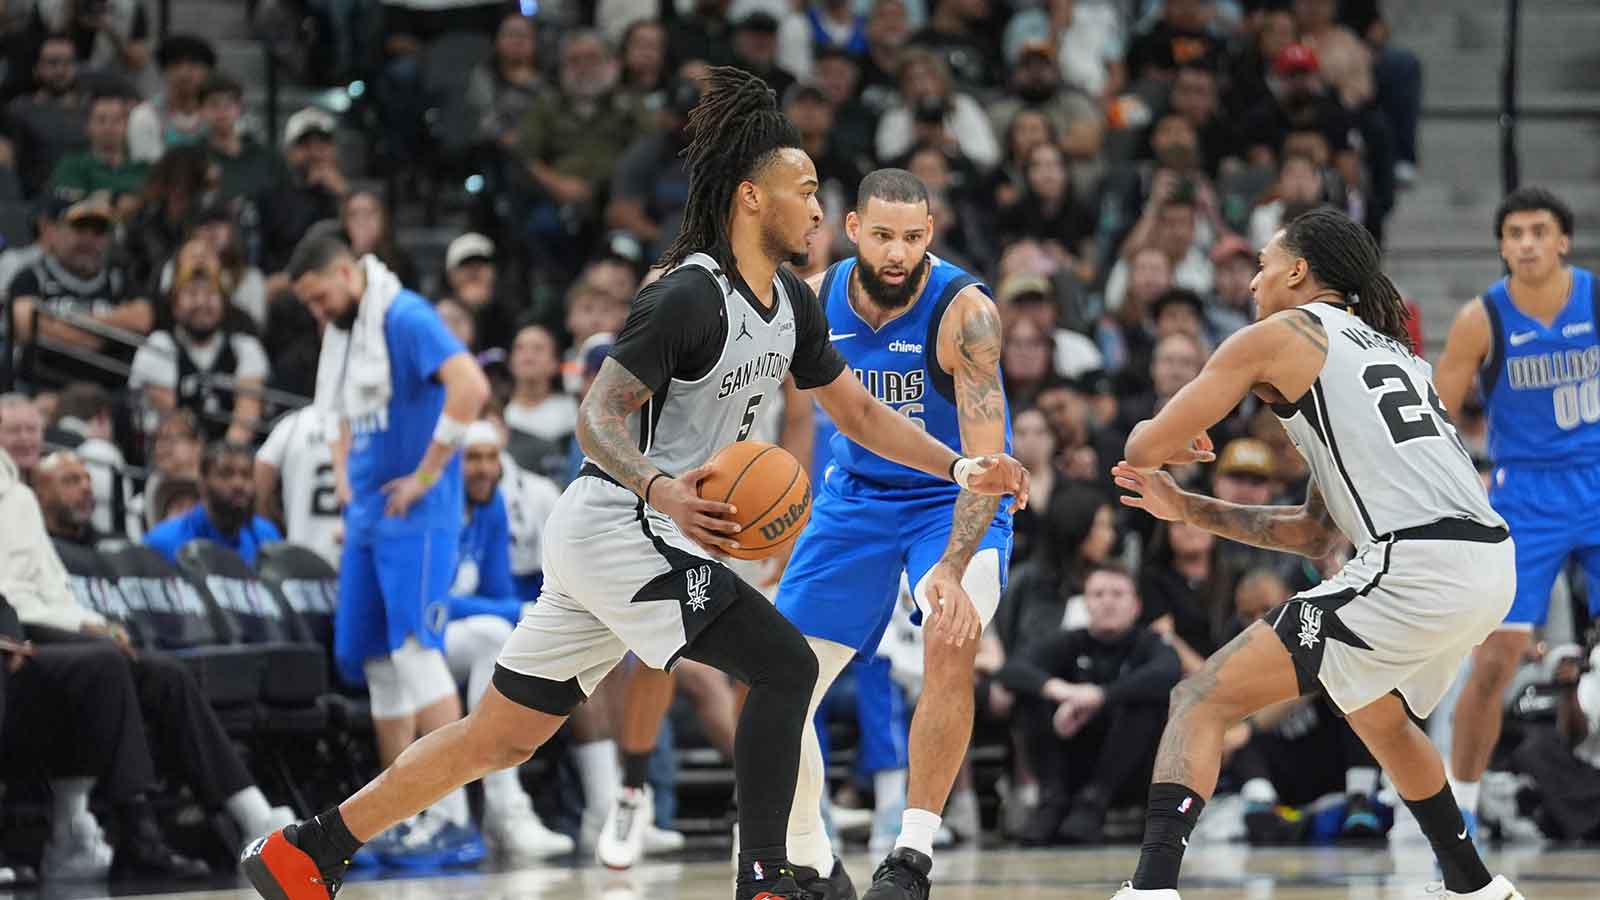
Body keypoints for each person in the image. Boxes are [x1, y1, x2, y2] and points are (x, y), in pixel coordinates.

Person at [240, 67, 1024, 900]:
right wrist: (662, 489)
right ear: (751, 199)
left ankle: (306, 850)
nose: (817, 212)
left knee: (497, 737)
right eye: (803, 193)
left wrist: (958, 465)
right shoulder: (687, 295)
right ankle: (767, 878)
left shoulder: (793, 305)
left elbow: (859, 413)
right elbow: (597, 416)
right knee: (785, 665)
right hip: (621, 524)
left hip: (633, 540)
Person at [1107, 207, 1523, 900]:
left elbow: (1141, 448)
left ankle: (1150, 890)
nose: (1253, 283)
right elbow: (1314, 534)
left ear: (1298, 271)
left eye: (1263, 266)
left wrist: (1170, 440)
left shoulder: (1283, 334)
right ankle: (1473, 886)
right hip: (1486, 561)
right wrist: (1188, 509)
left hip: (1417, 562)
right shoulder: (1393, 353)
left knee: (1200, 696)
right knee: (1377, 715)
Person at [770, 167, 1014, 900]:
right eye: (882, 235)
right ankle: (814, 860)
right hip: (855, 499)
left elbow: (985, 466)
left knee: (950, 633)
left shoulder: (967, 314)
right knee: (777, 681)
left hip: (953, 501)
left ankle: (911, 856)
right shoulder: (813, 300)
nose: (898, 252)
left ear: (930, 233)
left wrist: (952, 568)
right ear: (852, 231)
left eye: (912, 237)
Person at [1432, 187, 1600, 832]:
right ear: (1502, 246)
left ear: (1563, 241)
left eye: (1539, 231)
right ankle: (1462, 812)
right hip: (1524, 494)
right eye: (1515, 233)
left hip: (1595, 478)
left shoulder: (1595, 298)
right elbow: (1435, 417)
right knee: (1496, 658)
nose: (1527, 243)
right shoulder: (1481, 318)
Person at [447, 421, 576, 862]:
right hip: (417, 636)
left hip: (464, 639)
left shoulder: (492, 509)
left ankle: (507, 808)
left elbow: (498, 589)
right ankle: (505, 808)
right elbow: (431, 602)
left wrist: (510, 611)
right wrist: (511, 611)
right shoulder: (436, 508)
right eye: (472, 459)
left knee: (502, 636)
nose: (483, 469)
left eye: (490, 459)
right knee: (494, 632)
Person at [997, 564, 1180, 846]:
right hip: (1069, 754)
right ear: (1085, 604)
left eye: (1117, 594)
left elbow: (1168, 672)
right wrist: (1061, 691)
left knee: (1145, 701)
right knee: (1029, 697)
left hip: (1131, 767)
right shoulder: (1069, 641)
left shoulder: (1150, 643)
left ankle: (1094, 801)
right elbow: (1013, 669)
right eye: (1098, 594)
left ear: (1136, 605)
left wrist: (1101, 696)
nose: (1108, 602)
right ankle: (1052, 799)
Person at [128, 257, 269, 443]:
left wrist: (224, 455)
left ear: (223, 303)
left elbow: (247, 417)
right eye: (192, 293)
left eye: (210, 294)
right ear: (175, 304)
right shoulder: (158, 345)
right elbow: (170, 421)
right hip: (171, 450)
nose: (202, 302)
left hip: (226, 454)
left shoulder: (244, 348)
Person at [143, 441, 282, 565]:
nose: (238, 484)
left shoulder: (267, 536)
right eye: (226, 474)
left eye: (246, 475)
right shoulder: (162, 542)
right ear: (202, 483)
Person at [254, 404, 343, 568]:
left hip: (299, 556)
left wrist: (274, 530)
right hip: (350, 555)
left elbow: (259, 482)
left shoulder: (294, 423)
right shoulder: (371, 423)